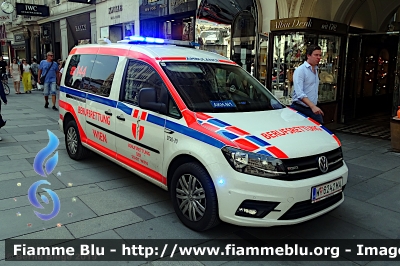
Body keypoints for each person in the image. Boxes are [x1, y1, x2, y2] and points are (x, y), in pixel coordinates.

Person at [290, 44, 324, 124]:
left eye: (320, 55)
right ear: (308, 56)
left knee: (320, 130)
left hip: (312, 107)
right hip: (300, 108)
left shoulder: (315, 70)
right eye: (316, 55)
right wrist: (313, 107)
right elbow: (299, 93)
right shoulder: (300, 70)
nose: (318, 57)